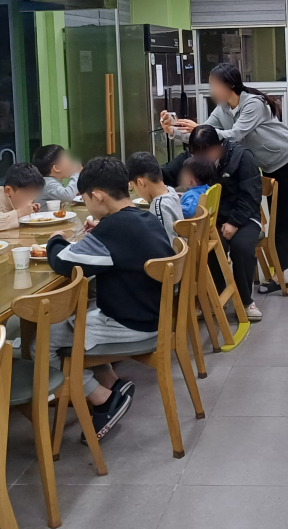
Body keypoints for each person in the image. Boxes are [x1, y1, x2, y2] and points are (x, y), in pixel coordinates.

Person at [163, 62, 288, 298]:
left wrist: (197, 127)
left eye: (214, 85)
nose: (211, 91)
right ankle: (279, 275)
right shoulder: (222, 109)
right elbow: (206, 136)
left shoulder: (253, 104)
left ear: (229, 85)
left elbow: (235, 134)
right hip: (270, 166)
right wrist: (173, 130)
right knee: (280, 221)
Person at [45, 157, 176, 439]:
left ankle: (100, 397)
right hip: (150, 312)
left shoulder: (113, 229)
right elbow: (116, 248)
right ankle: (112, 383)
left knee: (45, 339)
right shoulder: (143, 217)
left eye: (85, 199)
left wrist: (54, 240)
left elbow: (63, 262)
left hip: (133, 323)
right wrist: (99, 235)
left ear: (98, 196)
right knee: (77, 318)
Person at [187, 125, 265, 322]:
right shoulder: (195, 158)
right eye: (197, 155)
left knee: (241, 247)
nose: (201, 159)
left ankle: (245, 301)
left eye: (205, 153)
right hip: (215, 219)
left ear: (218, 146)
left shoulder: (242, 157)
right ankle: (217, 295)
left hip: (245, 217)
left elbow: (251, 196)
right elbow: (171, 171)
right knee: (208, 245)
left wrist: (234, 222)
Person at [127, 151, 183, 239]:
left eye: (133, 187)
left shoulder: (160, 207)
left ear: (141, 183)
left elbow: (166, 243)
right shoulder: (170, 191)